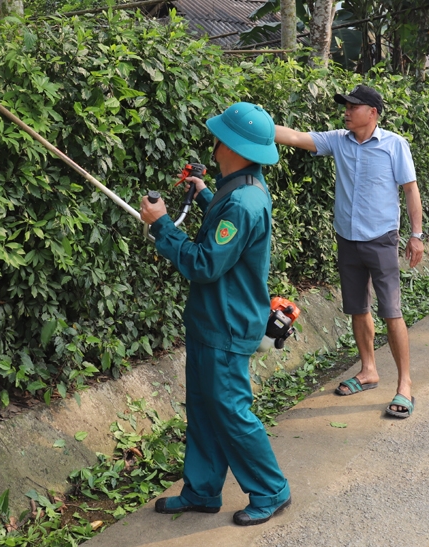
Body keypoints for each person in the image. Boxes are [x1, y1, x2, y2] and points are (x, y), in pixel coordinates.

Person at [140, 102, 291, 526]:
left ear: (236, 146)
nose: (215, 144)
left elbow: (204, 263)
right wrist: (203, 191)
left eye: (221, 138)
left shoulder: (244, 202)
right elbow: (225, 221)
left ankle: (272, 490)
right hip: (213, 323)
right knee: (205, 409)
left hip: (226, 326)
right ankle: (203, 491)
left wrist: (163, 225)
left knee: (230, 412)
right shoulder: (241, 186)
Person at [273, 84, 423, 419]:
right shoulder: (337, 140)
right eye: (346, 106)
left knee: (391, 312)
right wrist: (253, 124)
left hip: (382, 238)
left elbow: (411, 190)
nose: (346, 111)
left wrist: (416, 235)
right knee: (358, 308)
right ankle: (368, 370)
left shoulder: (394, 145)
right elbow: (296, 138)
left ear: (372, 112)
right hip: (348, 238)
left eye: (353, 106)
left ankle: (405, 385)